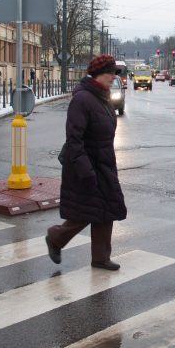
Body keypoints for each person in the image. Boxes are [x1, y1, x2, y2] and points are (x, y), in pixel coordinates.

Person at [46, 54, 126, 271]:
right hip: (86, 168)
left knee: (106, 210)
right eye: (111, 73)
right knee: (86, 212)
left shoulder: (103, 97)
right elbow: (74, 140)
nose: (113, 77)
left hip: (104, 165)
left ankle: (101, 258)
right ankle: (55, 237)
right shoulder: (83, 99)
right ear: (99, 74)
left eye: (115, 73)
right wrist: (86, 171)